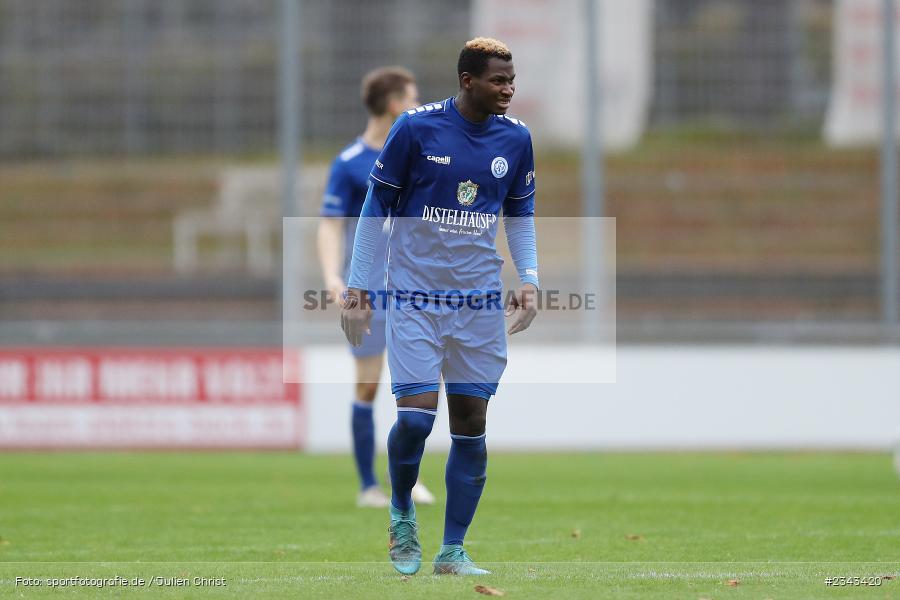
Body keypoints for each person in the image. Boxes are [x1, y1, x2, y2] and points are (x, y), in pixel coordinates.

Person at [341, 38, 539, 575]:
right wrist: (358, 288)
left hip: (478, 304)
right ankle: (401, 510)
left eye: (511, 79)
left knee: (471, 422)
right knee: (415, 418)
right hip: (414, 299)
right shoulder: (416, 128)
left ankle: (452, 550)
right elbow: (376, 205)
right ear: (468, 80)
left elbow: (520, 215)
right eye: (498, 80)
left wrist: (530, 279)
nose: (508, 89)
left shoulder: (516, 138)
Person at [318, 66, 435, 509]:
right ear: (393, 104)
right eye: (413, 98)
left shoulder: (422, 155)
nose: (418, 106)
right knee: (367, 386)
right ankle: (368, 486)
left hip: (414, 289)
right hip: (368, 292)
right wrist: (333, 277)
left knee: (417, 388)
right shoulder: (349, 163)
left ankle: (406, 477)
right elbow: (330, 225)